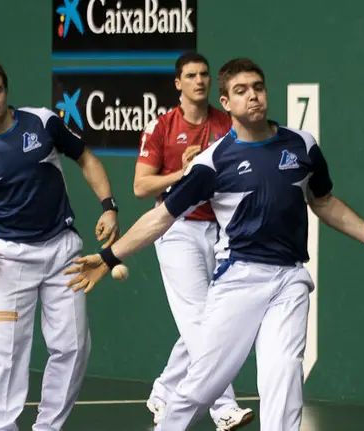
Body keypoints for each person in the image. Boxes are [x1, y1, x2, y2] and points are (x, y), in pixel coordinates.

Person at [64, 57, 364, 430]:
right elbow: (161, 217)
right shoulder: (213, 161)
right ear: (227, 103)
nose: (253, 96)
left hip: (290, 278)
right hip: (239, 279)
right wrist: (107, 256)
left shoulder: (302, 146)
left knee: (284, 377)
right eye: (241, 91)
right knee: (204, 384)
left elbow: (323, 201)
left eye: (258, 88)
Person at [0, 59, 120, 431]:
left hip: (63, 253)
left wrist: (108, 205)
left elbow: (85, 158)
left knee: (73, 349)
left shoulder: (42, 122)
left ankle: (48, 428)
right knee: (8, 355)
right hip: (10, 260)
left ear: (5, 90)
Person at [133, 52, 254, 430]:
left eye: (204, 74)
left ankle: (165, 391)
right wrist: (183, 173)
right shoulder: (163, 127)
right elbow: (141, 186)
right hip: (176, 228)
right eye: (191, 75)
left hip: (219, 233)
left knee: (209, 317)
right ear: (178, 83)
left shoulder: (227, 124)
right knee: (202, 320)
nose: (199, 81)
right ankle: (223, 408)